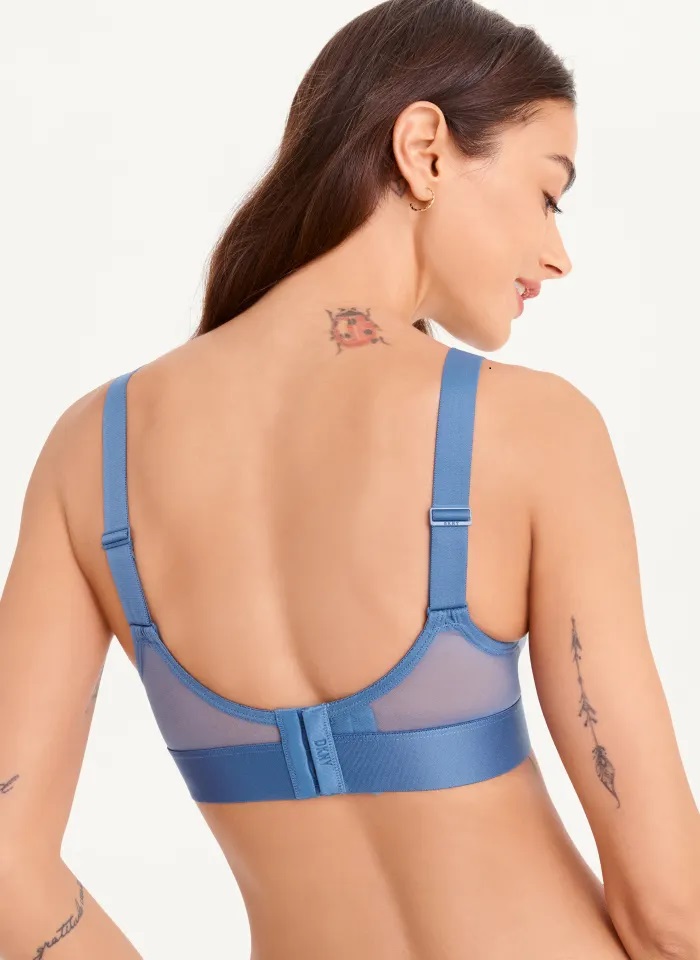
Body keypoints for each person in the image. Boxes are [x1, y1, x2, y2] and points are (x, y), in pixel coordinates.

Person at [0, 0, 698, 957]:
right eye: (548, 194)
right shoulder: (534, 430)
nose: (558, 254)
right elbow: (671, 911)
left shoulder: (93, 451)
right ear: (425, 150)